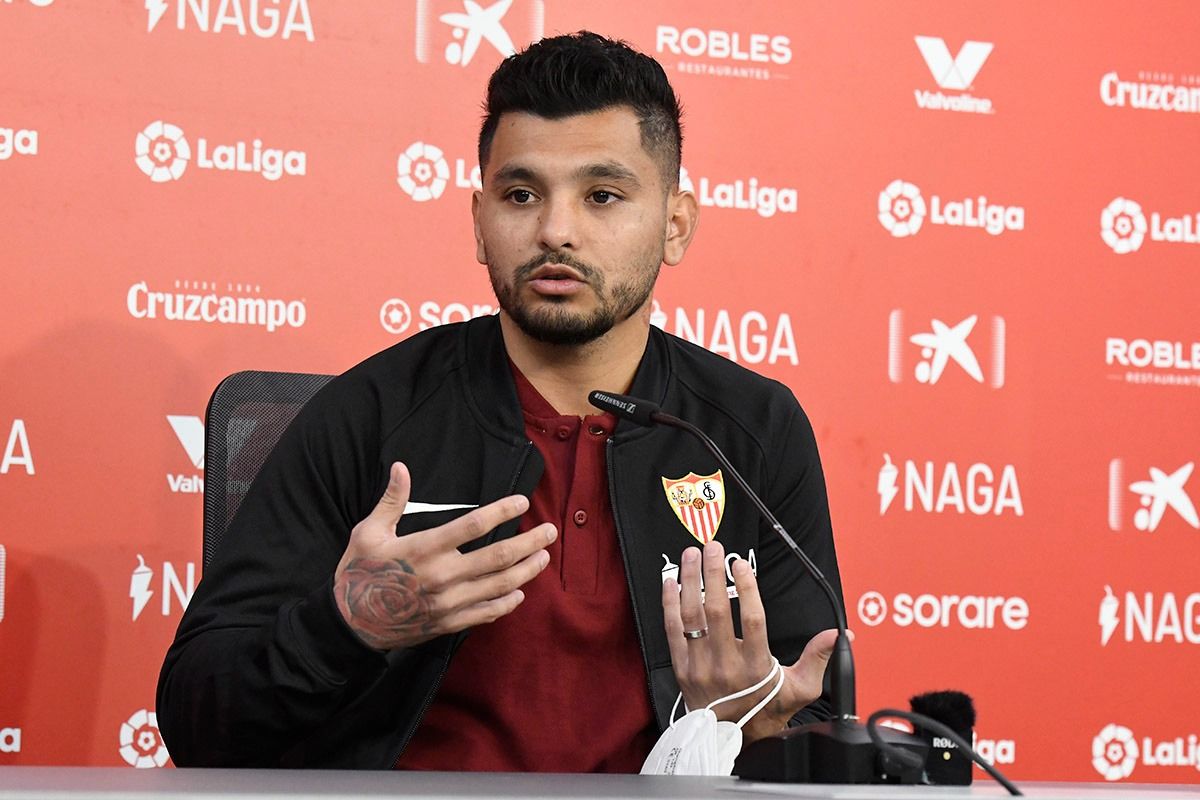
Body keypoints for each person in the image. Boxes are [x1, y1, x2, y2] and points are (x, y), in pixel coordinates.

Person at [157, 31, 844, 771]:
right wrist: (349, 626)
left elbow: (822, 722)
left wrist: (762, 727)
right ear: (480, 223)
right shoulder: (370, 415)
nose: (555, 230)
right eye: (521, 195)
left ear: (675, 225)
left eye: (602, 195)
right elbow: (199, 718)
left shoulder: (751, 430)